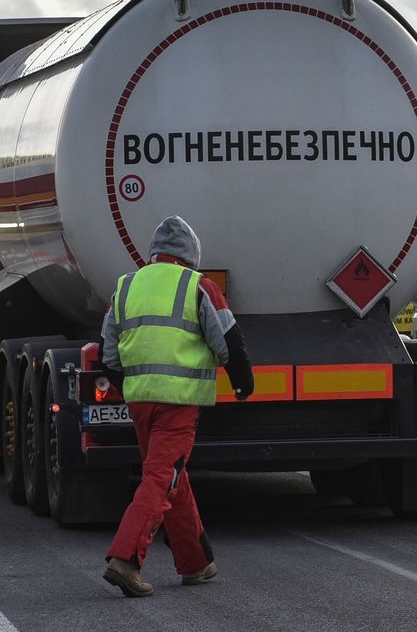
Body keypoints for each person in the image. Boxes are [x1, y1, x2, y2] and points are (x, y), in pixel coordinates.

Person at [99, 215, 255, 598]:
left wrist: (133, 386)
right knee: (160, 479)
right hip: (178, 404)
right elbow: (228, 341)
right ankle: (126, 560)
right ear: (191, 257)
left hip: (140, 401)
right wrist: (242, 383)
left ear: (154, 254)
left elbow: (108, 355)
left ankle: (195, 563)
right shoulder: (197, 285)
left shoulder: (125, 286)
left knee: (171, 476)